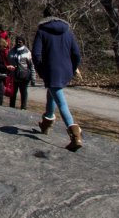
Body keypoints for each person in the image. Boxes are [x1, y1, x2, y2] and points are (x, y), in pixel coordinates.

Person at [32, 10, 83, 151]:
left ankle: (75, 134)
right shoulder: (67, 31)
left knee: (61, 102)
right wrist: (72, 68)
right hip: (65, 69)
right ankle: (47, 121)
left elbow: (36, 54)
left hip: (50, 70)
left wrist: (41, 70)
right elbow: (76, 54)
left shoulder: (42, 31)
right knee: (52, 92)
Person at [7, 36, 33, 110]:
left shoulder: (27, 52)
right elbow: (8, 62)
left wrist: (33, 78)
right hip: (14, 76)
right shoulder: (12, 51)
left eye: (20, 41)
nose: (19, 43)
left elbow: (31, 66)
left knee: (23, 93)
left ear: (23, 42)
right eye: (17, 41)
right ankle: (11, 108)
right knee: (13, 93)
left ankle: (23, 107)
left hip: (24, 76)